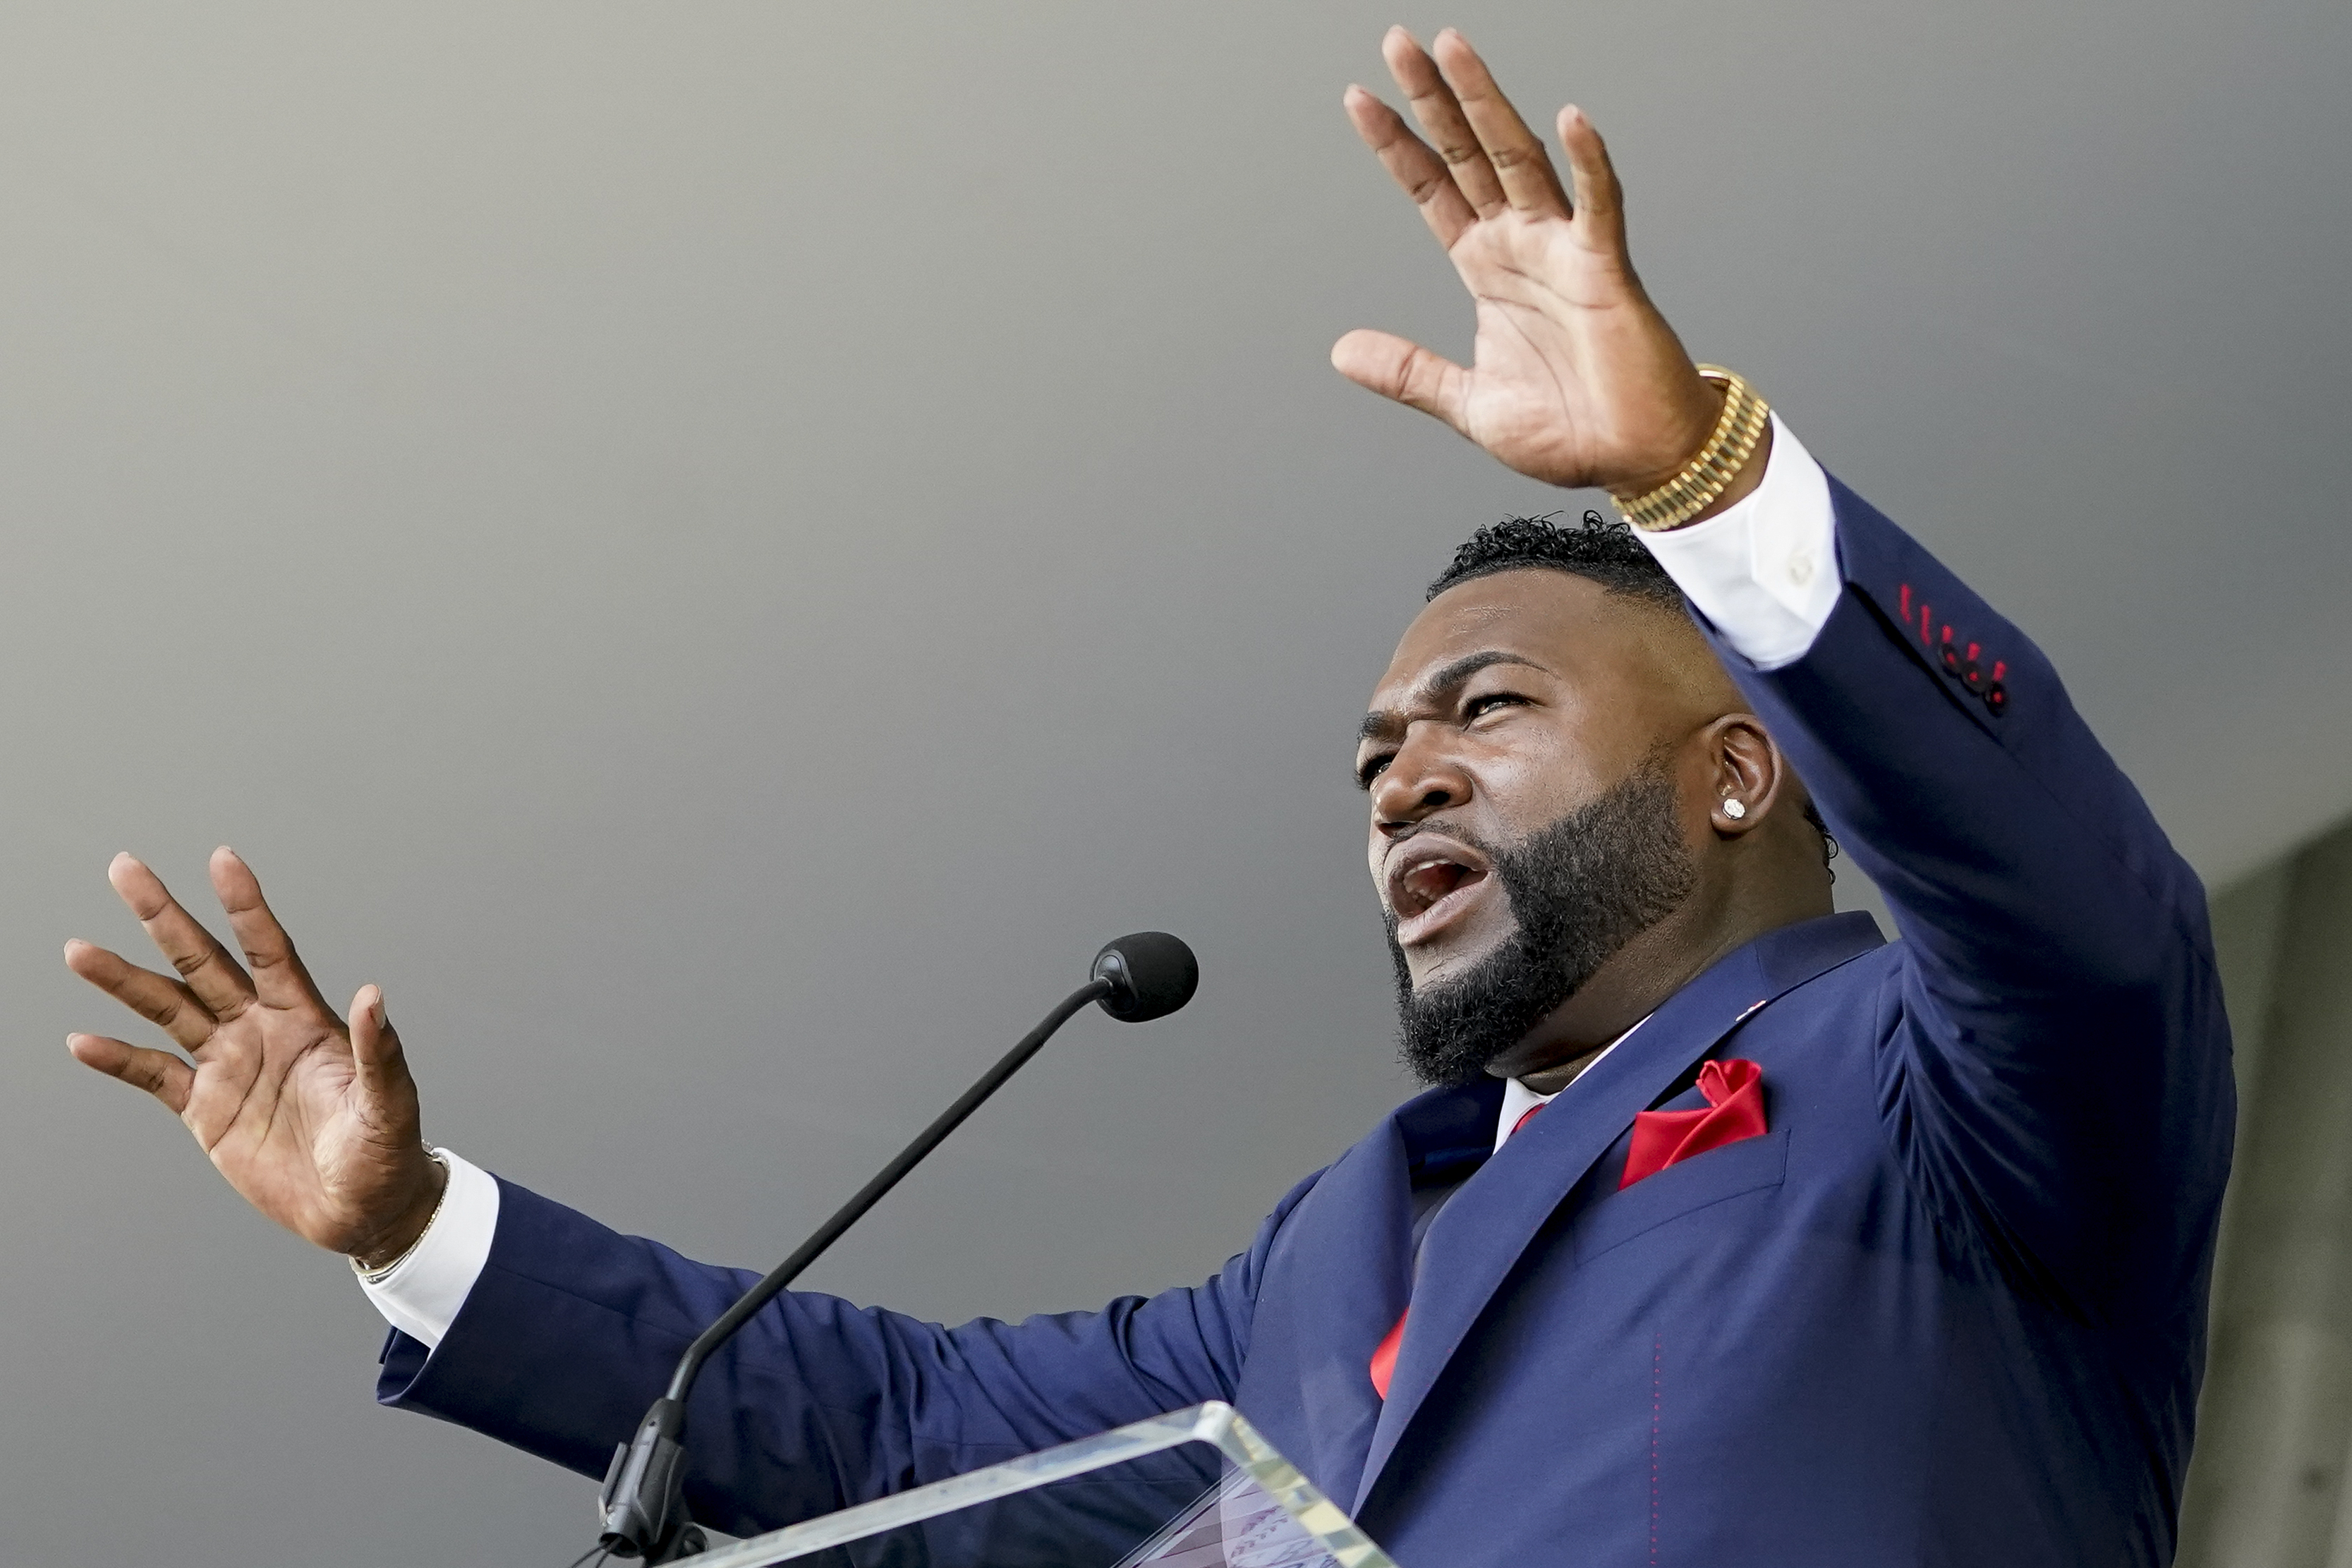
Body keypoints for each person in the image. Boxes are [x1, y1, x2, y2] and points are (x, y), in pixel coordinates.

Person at [62, 28, 2232, 1567]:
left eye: (1481, 710)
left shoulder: (1946, 1085)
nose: (1403, 781)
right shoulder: (1342, 1246)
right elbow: (907, 1432)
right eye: (1377, 756)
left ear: (1739, 764)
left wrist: (1702, 489)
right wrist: (414, 1230)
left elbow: (2068, 899)